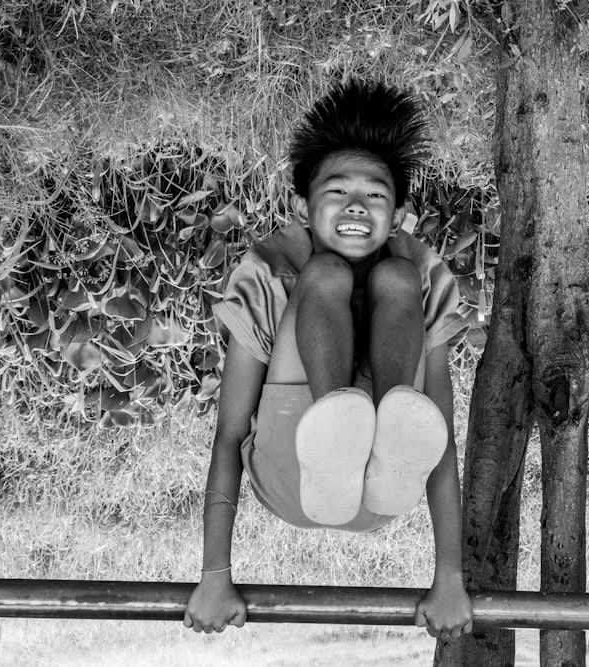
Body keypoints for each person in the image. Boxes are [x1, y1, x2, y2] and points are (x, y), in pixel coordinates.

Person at [182, 79, 474, 640]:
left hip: (386, 491)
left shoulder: (420, 273)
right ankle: (335, 428)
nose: (357, 207)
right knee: (326, 276)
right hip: (293, 478)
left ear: (400, 214)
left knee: (396, 280)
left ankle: (370, 441)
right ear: (302, 206)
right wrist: (214, 575)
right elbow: (229, 433)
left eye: (377, 195)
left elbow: (439, 436)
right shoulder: (269, 273)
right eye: (337, 192)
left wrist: (449, 577)